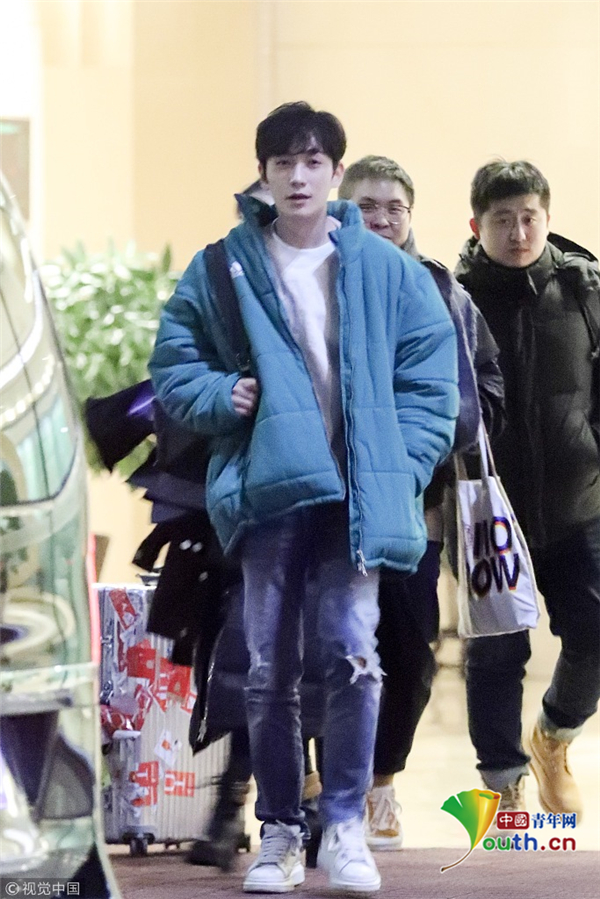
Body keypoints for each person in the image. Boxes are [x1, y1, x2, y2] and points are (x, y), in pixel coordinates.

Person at [149, 101, 459, 894]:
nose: (298, 176)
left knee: (354, 654)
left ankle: (345, 823)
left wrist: (401, 461)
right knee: (268, 668)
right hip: (269, 493)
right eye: (283, 162)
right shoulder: (225, 265)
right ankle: (281, 832)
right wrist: (221, 395)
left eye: (313, 161)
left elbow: (432, 378)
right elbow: (174, 363)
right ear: (263, 173)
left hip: (355, 495)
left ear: (334, 172)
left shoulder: (386, 269)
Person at [338, 156, 505, 849]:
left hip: (417, 502)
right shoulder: (317, 277)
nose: (381, 219)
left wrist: (456, 429)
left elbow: (484, 378)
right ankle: (328, 783)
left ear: (411, 215)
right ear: (342, 209)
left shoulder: (442, 289)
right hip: (332, 499)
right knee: (330, 644)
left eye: (394, 207)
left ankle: (381, 780)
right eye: (366, 206)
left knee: (410, 648)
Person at [454, 159, 600, 818]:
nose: (518, 233)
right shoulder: (454, 301)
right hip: (489, 512)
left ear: (547, 217)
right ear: (476, 225)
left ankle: (554, 736)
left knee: (594, 631)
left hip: (579, 503)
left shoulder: (584, 291)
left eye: (529, 218)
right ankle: (504, 780)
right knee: (496, 651)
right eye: (502, 220)